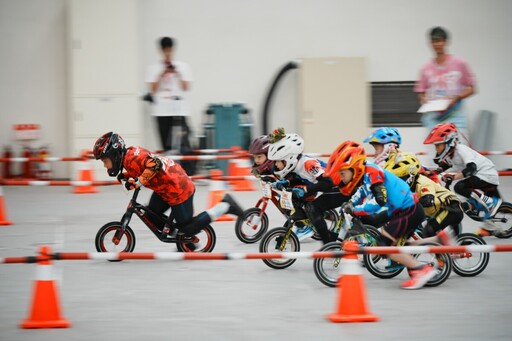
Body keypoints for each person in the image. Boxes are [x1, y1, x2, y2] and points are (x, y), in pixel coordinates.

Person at [93, 132, 243, 251]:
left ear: (115, 154)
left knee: (187, 228)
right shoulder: (129, 157)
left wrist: (138, 182)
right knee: (151, 214)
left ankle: (225, 205)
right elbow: (140, 169)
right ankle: (182, 239)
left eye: (105, 161)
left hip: (178, 188)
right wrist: (127, 177)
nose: (106, 166)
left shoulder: (133, 157)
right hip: (165, 188)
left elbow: (155, 164)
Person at [325, 140, 437, 290]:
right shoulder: (366, 174)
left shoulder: (373, 173)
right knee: (397, 245)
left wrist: (356, 210)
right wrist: (351, 203)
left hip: (409, 210)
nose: (342, 178)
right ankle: (438, 239)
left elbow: (379, 201)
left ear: (354, 167)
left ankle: (421, 270)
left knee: (385, 245)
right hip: (402, 209)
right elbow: (362, 192)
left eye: (343, 173)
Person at [267, 128, 348, 243]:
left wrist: (305, 190)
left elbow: (327, 183)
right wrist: (286, 183)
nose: (276, 165)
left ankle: (328, 244)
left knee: (313, 209)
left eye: (277, 161)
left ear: (288, 159)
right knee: (287, 199)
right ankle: (302, 227)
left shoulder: (308, 164)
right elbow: (303, 181)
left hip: (341, 186)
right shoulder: (296, 166)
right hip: (326, 186)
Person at [423, 122, 502, 236]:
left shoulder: (461, 150)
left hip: (486, 174)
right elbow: (446, 165)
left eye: (437, 145)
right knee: (467, 196)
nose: (436, 149)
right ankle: (490, 226)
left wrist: (453, 176)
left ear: (448, 142)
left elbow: (471, 168)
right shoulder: (451, 153)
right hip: (479, 176)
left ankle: (490, 204)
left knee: (460, 187)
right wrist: (433, 172)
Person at [144, 36, 196, 174]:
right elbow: (152, 89)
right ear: (161, 51)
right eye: (165, 50)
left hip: (179, 110)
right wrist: (162, 74)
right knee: (165, 144)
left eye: (170, 50)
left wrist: (176, 73)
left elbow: (186, 86)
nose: (168, 53)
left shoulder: (182, 66)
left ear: (172, 50)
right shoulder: (154, 68)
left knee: (184, 141)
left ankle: (188, 172)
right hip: (161, 110)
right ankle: (168, 171)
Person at [385, 152, 461, 245]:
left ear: (410, 175)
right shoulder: (409, 186)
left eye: (400, 178)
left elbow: (428, 200)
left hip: (451, 208)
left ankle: (442, 257)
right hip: (437, 210)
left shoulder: (423, 182)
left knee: (428, 231)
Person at [415, 26, 476, 139]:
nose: (437, 44)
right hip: (434, 120)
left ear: (446, 42)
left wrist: (457, 97)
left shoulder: (459, 63)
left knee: (458, 153)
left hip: (456, 118)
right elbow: (421, 92)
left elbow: (472, 88)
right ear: (430, 43)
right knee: (435, 154)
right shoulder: (426, 67)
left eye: (439, 40)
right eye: (434, 41)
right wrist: (425, 100)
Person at [364, 127, 440, 183]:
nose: (376, 153)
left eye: (377, 148)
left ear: (388, 145)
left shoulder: (403, 160)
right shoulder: (388, 163)